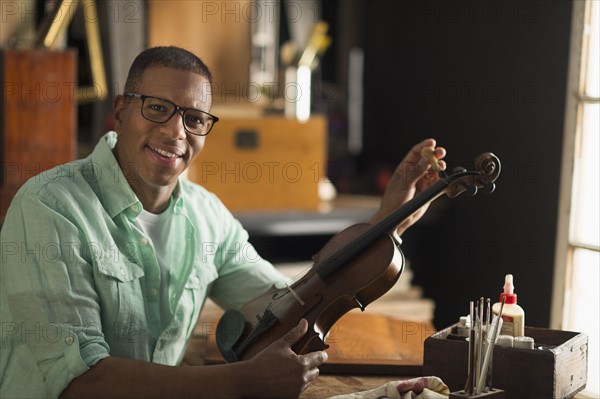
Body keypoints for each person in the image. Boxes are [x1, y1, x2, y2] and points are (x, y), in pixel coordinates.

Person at [0, 46, 446, 399]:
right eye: (158, 108)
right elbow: (80, 382)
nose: (177, 132)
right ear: (119, 111)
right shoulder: (49, 206)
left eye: (194, 119)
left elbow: (289, 307)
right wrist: (240, 383)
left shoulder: (206, 215)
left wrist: (389, 221)